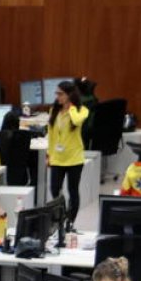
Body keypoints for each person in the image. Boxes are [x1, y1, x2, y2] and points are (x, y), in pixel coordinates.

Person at [46, 80, 89, 228]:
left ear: (70, 95)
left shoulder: (81, 110)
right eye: (56, 93)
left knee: (73, 190)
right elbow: (51, 135)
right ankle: (62, 215)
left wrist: (70, 108)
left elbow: (77, 121)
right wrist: (49, 155)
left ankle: (70, 221)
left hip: (74, 158)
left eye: (60, 94)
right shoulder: (54, 110)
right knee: (54, 189)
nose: (57, 96)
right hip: (57, 158)